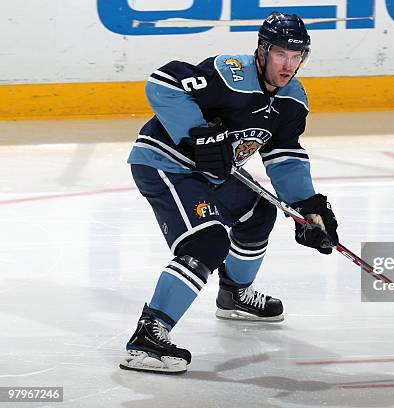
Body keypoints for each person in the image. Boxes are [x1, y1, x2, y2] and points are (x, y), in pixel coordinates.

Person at [119, 11, 339, 374]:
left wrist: (306, 207)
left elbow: (284, 156)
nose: (289, 65)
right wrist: (198, 133)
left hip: (215, 174)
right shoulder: (230, 73)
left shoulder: (293, 99)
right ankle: (147, 336)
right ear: (263, 50)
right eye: (281, 54)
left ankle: (234, 293)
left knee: (258, 213)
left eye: (297, 56)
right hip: (167, 163)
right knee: (207, 242)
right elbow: (162, 83)